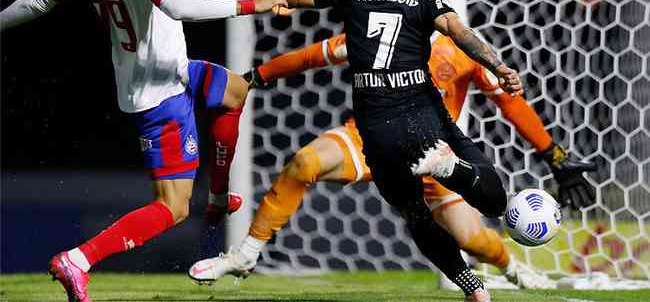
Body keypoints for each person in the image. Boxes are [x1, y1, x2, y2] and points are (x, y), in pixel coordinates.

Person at [0, 0, 286, 302]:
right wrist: (250, 5)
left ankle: (220, 196)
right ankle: (79, 259)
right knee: (172, 207)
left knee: (235, 91)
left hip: (173, 71)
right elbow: (175, 4)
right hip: (160, 96)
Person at [195, 0, 521, 302]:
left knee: (415, 216)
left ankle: (474, 289)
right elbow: (460, 33)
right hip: (423, 118)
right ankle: (451, 169)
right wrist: (498, 65)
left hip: (377, 132)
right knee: (493, 200)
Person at [189, 33, 597, 290]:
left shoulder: (464, 50)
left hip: (434, 153)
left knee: (472, 240)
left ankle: (513, 270)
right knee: (304, 163)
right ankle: (246, 253)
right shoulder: (377, 34)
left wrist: (554, 156)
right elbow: (315, 55)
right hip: (370, 137)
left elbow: (510, 103)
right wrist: (257, 76)